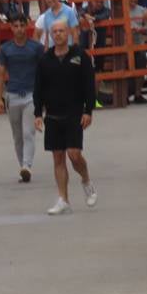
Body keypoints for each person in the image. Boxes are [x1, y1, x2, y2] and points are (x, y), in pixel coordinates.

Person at [34, 19, 97, 215]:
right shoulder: (45, 60)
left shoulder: (80, 55)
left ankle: (86, 179)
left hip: (74, 113)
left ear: (68, 32)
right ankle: (63, 198)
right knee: (58, 157)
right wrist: (37, 114)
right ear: (51, 35)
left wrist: (89, 110)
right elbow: (38, 88)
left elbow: (89, 84)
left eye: (62, 31)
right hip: (52, 115)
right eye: (55, 32)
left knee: (74, 154)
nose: (59, 34)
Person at [0, 13, 45, 183]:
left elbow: (44, 72)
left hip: (31, 95)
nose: (19, 29)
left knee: (28, 132)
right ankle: (22, 167)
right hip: (13, 95)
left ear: (27, 26)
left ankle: (27, 165)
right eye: (15, 26)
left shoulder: (36, 48)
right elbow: (1, 74)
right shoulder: (5, 49)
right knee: (17, 135)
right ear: (11, 28)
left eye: (22, 26)